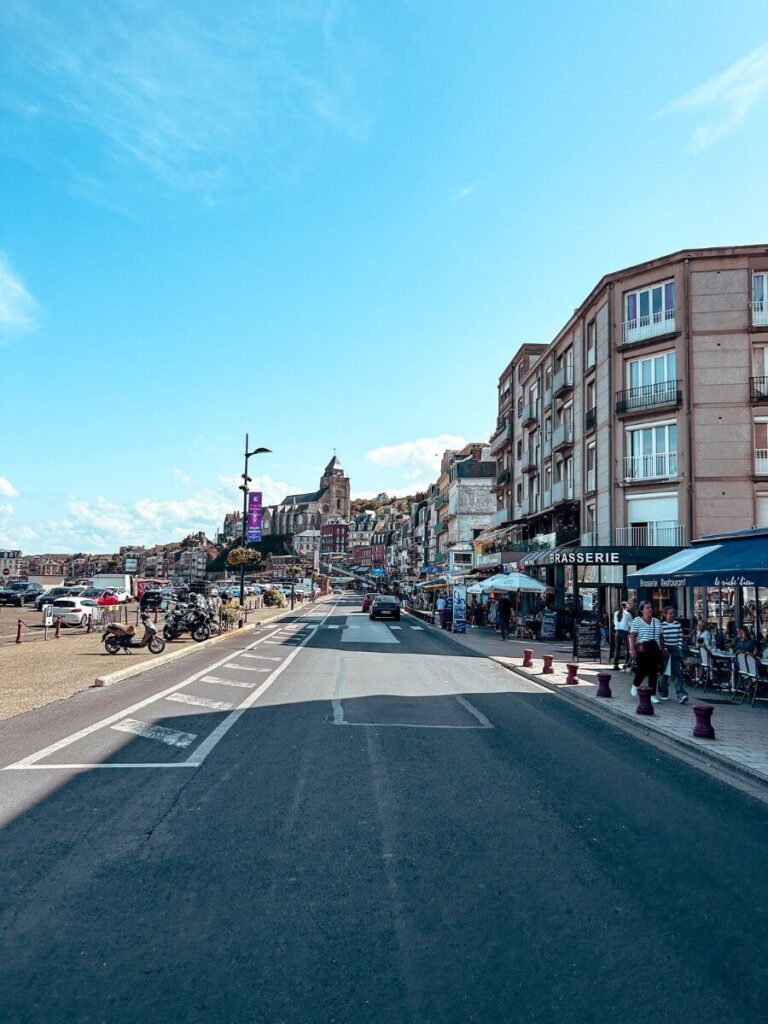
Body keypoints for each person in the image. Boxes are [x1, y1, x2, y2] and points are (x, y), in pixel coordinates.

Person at [629, 601, 664, 703]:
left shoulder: (656, 621)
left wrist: (663, 649)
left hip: (654, 650)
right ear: (642, 610)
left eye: (650, 608)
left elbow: (661, 637)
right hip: (642, 649)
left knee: (653, 672)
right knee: (643, 669)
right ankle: (635, 684)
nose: (650, 609)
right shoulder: (637, 621)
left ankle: (652, 694)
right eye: (647, 608)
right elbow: (633, 636)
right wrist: (633, 650)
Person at [660, 606, 689, 704]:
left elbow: (680, 637)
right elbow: (661, 639)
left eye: (673, 613)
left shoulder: (677, 624)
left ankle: (681, 694)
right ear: (665, 615)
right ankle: (663, 692)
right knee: (665, 672)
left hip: (675, 649)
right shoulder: (662, 626)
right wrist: (664, 649)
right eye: (670, 613)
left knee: (677, 672)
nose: (672, 615)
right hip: (666, 649)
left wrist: (679, 647)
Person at [612, 601, 632, 670]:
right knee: (627, 648)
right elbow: (630, 624)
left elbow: (614, 622)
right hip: (625, 632)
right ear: (626, 607)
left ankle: (615, 664)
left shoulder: (616, 613)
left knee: (617, 649)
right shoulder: (628, 614)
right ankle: (627, 664)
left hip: (617, 631)